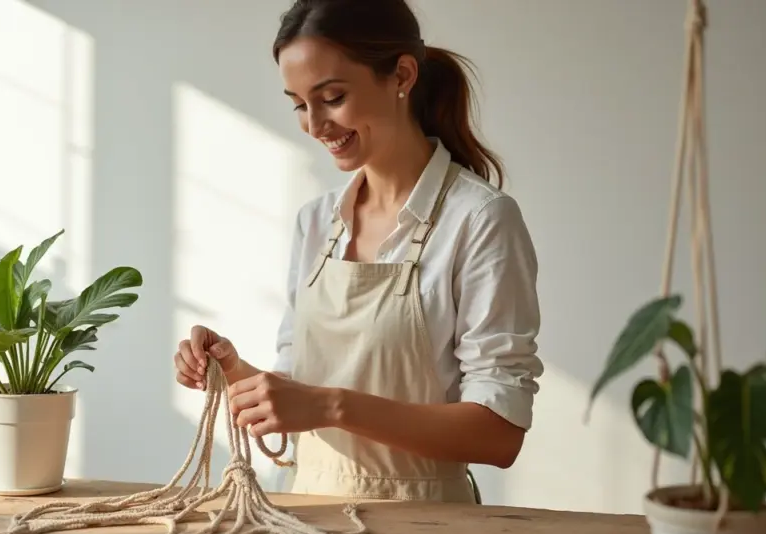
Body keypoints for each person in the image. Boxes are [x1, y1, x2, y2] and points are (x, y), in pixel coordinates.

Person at [173, 0, 543, 504]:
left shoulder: (479, 220)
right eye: (300, 104)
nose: (314, 124)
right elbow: (301, 393)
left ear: (402, 76)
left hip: (428, 532)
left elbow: (498, 434)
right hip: (303, 513)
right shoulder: (316, 223)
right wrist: (233, 369)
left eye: (332, 96)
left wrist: (331, 406)